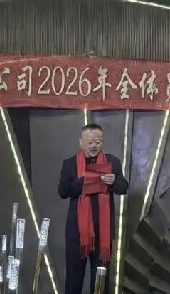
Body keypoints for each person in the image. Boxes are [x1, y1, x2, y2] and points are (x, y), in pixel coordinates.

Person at [58, 123, 129, 294]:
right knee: (74, 279)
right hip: (77, 233)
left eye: (98, 142)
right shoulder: (70, 164)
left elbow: (123, 188)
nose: (94, 146)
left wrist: (113, 182)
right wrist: (82, 181)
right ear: (81, 142)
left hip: (102, 233)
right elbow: (62, 192)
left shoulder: (112, 162)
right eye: (90, 142)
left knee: (100, 281)